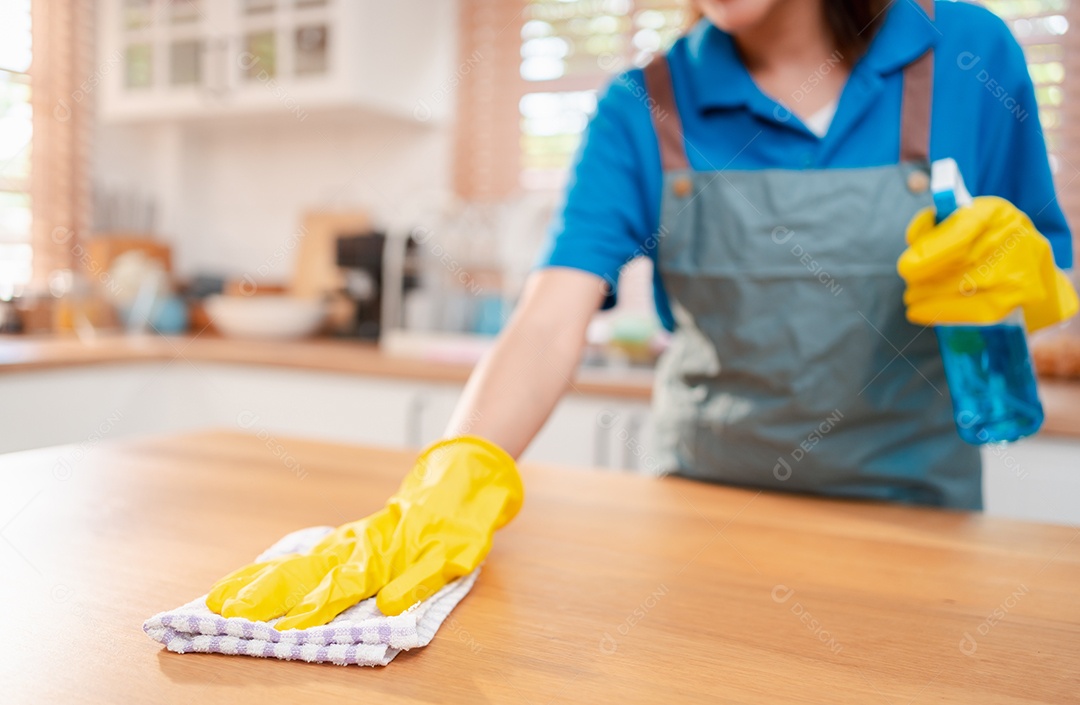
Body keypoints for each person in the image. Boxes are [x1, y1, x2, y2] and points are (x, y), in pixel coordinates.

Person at [206, 0, 1077, 630]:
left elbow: (1050, 263)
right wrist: (450, 476)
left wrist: (1031, 280)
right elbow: (552, 315)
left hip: (918, 520)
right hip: (699, 522)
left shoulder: (968, 53)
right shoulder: (644, 105)